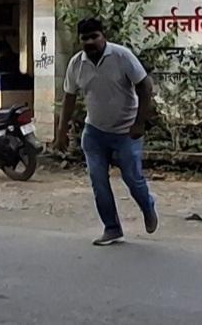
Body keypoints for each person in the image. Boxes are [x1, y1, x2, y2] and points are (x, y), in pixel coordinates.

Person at [55, 17, 159, 246]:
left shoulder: (121, 56)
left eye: (95, 36)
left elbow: (145, 85)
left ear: (104, 36)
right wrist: (61, 131)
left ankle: (147, 207)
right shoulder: (76, 64)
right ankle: (112, 228)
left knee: (133, 179)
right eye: (85, 38)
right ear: (80, 40)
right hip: (94, 133)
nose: (91, 41)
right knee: (98, 181)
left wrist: (140, 123)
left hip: (125, 132)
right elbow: (69, 98)